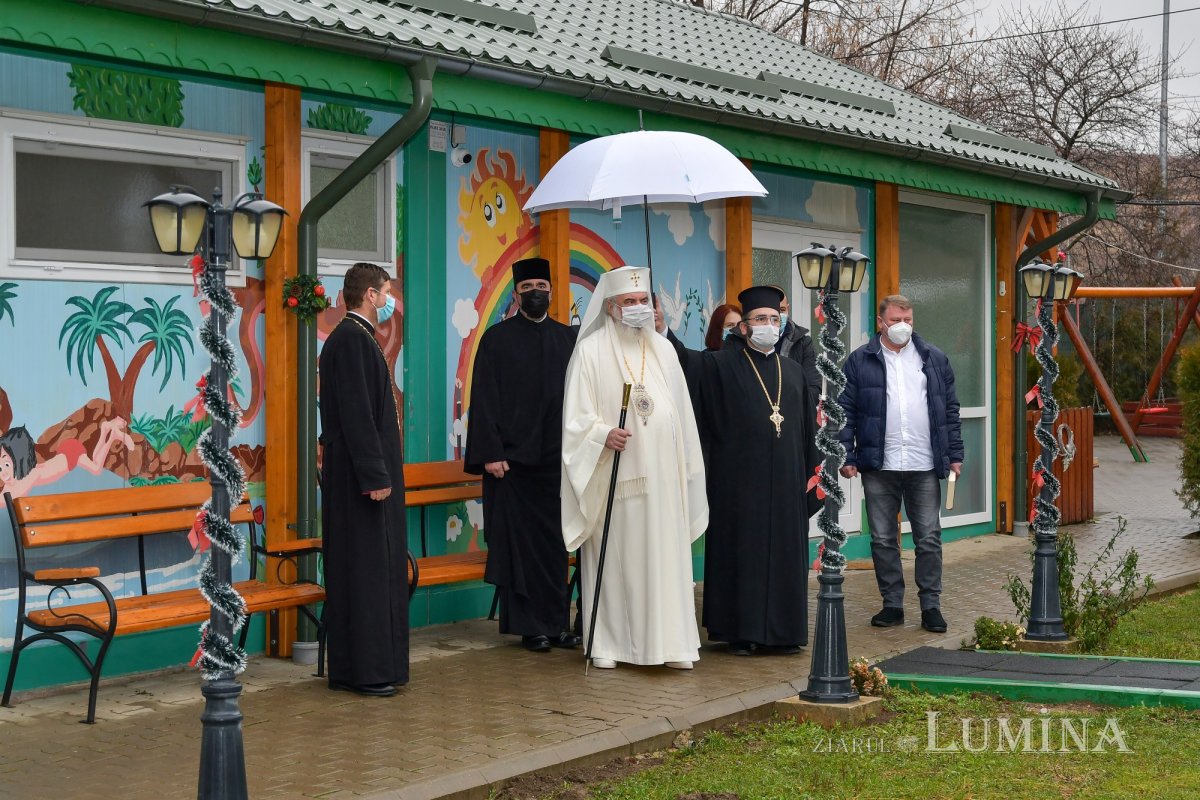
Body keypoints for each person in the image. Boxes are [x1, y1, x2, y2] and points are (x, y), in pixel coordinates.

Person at [561, 266, 708, 670]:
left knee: (664, 562)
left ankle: (672, 646)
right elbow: (575, 422)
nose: (639, 308)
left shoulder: (663, 350)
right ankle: (609, 644)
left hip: (663, 480)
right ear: (611, 307)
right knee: (620, 564)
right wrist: (603, 435)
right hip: (616, 480)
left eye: (644, 301)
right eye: (630, 302)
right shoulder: (590, 353)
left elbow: (682, 414)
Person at [663, 285, 823, 655]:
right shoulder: (721, 365)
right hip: (739, 486)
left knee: (784, 557)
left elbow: (806, 433)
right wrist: (663, 332)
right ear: (745, 327)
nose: (768, 325)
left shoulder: (794, 372)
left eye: (774, 319)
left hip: (785, 487)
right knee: (743, 556)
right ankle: (742, 632)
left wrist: (810, 480)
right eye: (760, 319)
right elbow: (684, 362)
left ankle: (785, 633)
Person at [464, 257, 581, 653]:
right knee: (521, 550)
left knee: (554, 549)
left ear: (552, 292)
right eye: (528, 287)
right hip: (511, 468)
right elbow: (483, 400)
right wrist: (491, 453)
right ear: (516, 294)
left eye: (542, 287)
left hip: (555, 465)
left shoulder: (568, 339)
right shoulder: (496, 339)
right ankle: (532, 628)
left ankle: (557, 624)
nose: (536, 293)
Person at [838, 294, 963, 634]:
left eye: (907, 319)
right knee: (882, 539)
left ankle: (931, 606)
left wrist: (955, 454)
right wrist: (846, 455)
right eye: (895, 320)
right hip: (880, 465)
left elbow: (949, 410)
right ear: (881, 322)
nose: (902, 326)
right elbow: (846, 411)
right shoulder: (860, 361)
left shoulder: (933, 358)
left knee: (928, 538)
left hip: (923, 464)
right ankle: (892, 604)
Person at [318, 262, 409, 696]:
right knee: (367, 571)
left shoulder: (355, 339)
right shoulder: (353, 341)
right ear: (371, 295)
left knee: (367, 569)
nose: (391, 301)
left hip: (358, 476)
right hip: (361, 483)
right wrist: (376, 474)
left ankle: (360, 668)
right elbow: (357, 415)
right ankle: (368, 671)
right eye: (386, 292)